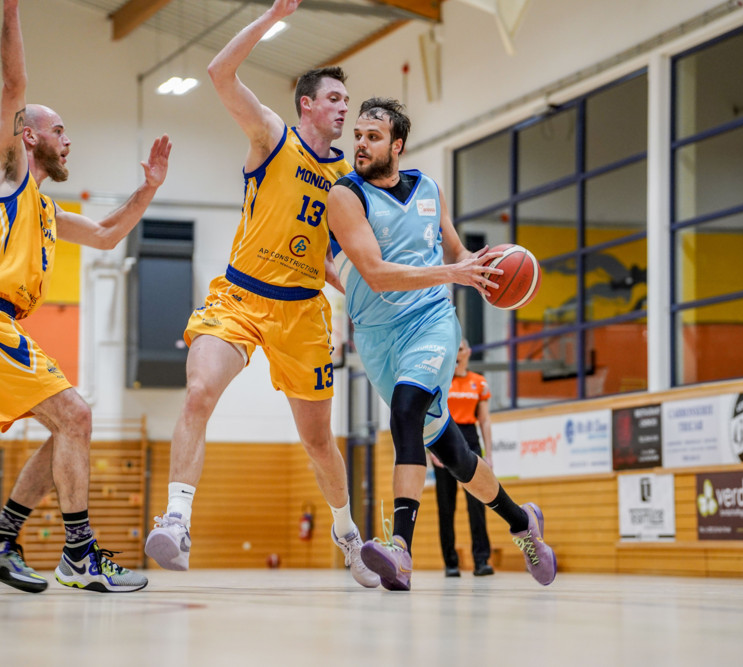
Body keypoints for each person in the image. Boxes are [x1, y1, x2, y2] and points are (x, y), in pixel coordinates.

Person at [0, 0, 172, 594]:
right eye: (60, 130)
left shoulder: (42, 207)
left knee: (68, 425)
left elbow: (105, 235)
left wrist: (147, 190)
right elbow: (14, 82)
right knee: (79, 416)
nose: (69, 141)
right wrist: (13, 8)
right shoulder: (6, 169)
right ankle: (78, 554)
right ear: (30, 133)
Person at [144, 0, 378, 589]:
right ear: (307, 104)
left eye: (347, 103)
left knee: (319, 440)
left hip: (303, 313)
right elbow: (220, 73)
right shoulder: (271, 135)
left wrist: (358, 283)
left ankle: (348, 534)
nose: (343, 108)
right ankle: (176, 519)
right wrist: (272, 16)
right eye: (334, 99)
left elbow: (328, 258)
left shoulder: (346, 181)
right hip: (240, 298)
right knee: (198, 390)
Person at [326, 97, 557, 591]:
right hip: (377, 336)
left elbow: (457, 251)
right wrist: (454, 271)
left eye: (372, 137)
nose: (360, 145)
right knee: (452, 452)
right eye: (358, 136)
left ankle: (401, 551)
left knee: (407, 410)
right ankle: (523, 523)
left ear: (397, 144)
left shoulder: (429, 189)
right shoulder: (345, 196)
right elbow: (377, 274)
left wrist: (485, 270)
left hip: (431, 321)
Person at [432, 338, 495, 577]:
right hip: (445, 437)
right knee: (446, 507)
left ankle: (481, 560)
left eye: (460, 349)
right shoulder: (440, 380)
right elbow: (429, 415)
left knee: (477, 504)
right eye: (454, 350)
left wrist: (488, 455)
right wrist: (432, 450)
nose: (457, 354)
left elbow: (485, 420)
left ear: (468, 352)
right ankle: (450, 562)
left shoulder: (479, 383)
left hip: (470, 440)